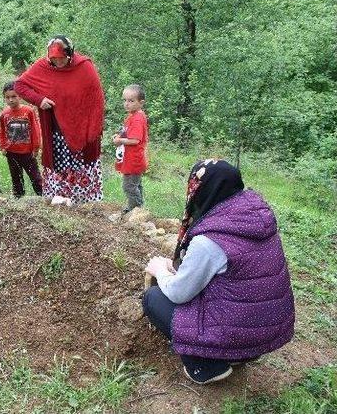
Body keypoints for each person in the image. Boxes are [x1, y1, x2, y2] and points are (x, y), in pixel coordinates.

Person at [142, 159, 295, 385]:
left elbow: (178, 293)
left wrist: (159, 270)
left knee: (154, 298)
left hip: (237, 333)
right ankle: (238, 354)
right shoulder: (254, 216)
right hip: (267, 330)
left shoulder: (210, 239)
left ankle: (205, 366)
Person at [15, 35, 105, 205]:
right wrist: (39, 99)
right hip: (56, 131)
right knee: (60, 166)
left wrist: (91, 126)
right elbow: (20, 85)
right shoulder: (43, 66)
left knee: (80, 165)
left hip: (80, 129)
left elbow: (96, 99)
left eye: (62, 59)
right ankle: (60, 201)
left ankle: (83, 202)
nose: (58, 63)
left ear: (70, 53)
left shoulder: (84, 67)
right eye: (54, 60)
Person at [0, 81, 43, 198]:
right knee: (16, 178)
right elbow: (1, 131)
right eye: (7, 97)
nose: (11, 100)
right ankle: (19, 200)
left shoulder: (28, 111)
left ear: (20, 96)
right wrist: (2, 146)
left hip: (27, 153)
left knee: (35, 177)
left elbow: (35, 129)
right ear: (4, 98)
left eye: (14, 96)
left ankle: (43, 197)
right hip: (11, 153)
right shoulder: (4, 114)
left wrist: (36, 148)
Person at [113, 84, 149, 213]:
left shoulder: (138, 118)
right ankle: (138, 208)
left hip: (134, 160)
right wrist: (119, 136)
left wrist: (120, 140)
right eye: (125, 100)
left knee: (129, 186)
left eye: (131, 101)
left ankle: (136, 209)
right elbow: (127, 133)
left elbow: (135, 140)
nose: (127, 104)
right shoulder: (132, 116)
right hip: (130, 159)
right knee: (135, 185)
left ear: (141, 102)